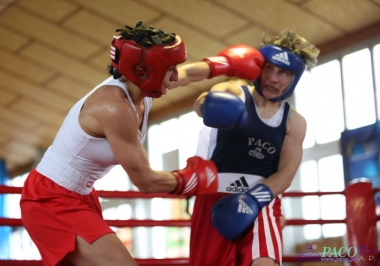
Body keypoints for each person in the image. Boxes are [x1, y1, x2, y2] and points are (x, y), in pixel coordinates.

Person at [19, 21, 263, 266]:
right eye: (170, 69)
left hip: (81, 194)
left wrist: (226, 64)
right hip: (50, 199)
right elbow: (145, 180)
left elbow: (189, 74)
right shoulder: (115, 108)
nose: (175, 76)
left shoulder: (141, 87)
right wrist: (192, 179)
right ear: (145, 71)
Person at [190, 29, 320, 266]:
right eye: (269, 68)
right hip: (213, 199)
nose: (273, 78)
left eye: (283, 73)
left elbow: (286, 173)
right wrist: (207, 105)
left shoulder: (294, 122)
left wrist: (252, 199)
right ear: (259, 68)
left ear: (294, 79)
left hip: (261, 200)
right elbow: (202, 103)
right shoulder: (233, 91)